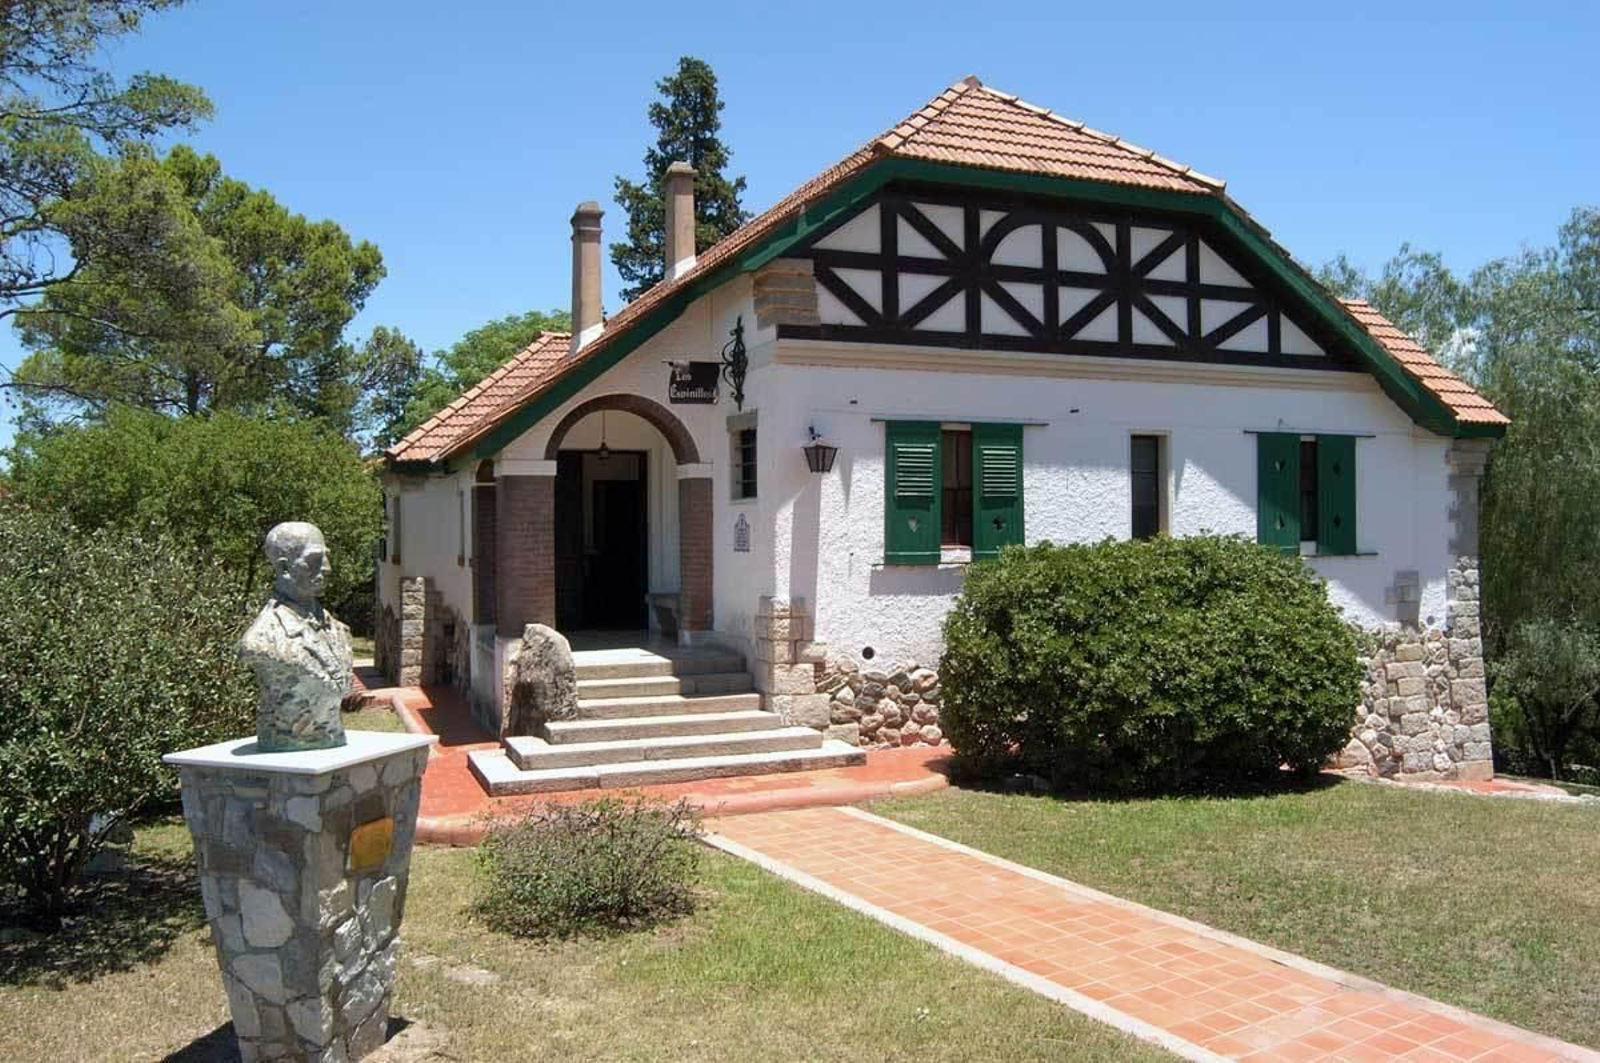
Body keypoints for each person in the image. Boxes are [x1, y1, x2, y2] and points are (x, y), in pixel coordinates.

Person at [238, 521, 353, 752]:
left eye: (326, 558)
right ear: (284, 569)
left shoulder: (339, 630)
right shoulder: (264, 638)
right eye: (314, 560)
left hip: (332, 741)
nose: (327, 568)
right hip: (284, 744)